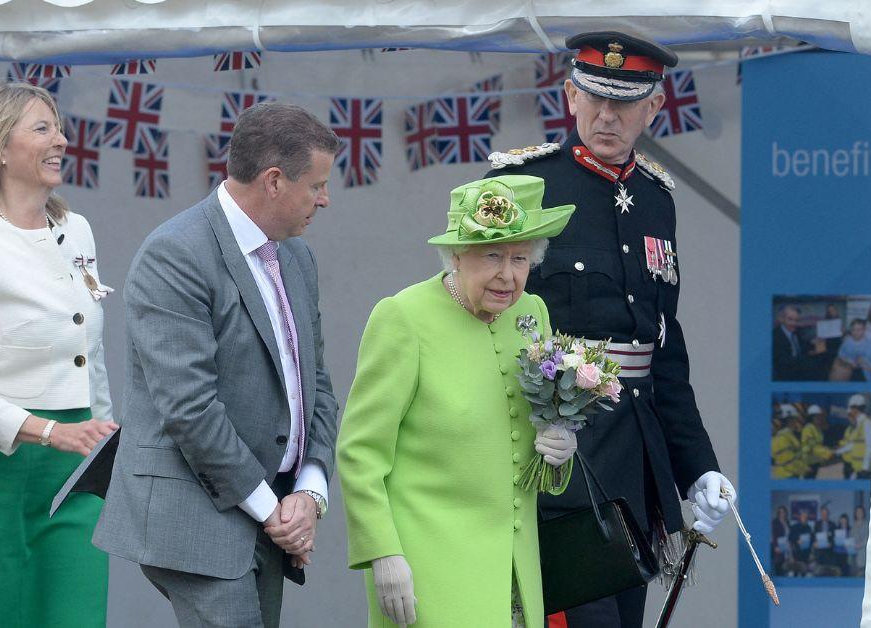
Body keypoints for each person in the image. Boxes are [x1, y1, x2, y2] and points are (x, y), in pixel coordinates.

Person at [484, 31, 734, 627]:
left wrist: (698, 465)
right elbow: (488, 329)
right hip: (557, 465)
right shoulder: (526, 186)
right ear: (569, 96)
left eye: (624, 103)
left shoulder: (656, 199)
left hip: (636, 466)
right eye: (594, 97)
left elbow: (664, 354)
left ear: (653, 107)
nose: (607, 115)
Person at [91, 102, 341, 628]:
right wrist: (271, 510)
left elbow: (313, 381)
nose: (325, 199)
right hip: (194, 513)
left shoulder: (297, 256)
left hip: (272, 510)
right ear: (274, 181)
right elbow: (189, 408)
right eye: (316, 185)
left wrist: (309, 491)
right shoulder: (175, 253)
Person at [338, 176, 579, 627]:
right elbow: (360, 453)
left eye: (520, 258)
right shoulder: (403, 318)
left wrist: (559, 451)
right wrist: (382, 553)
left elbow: (527, 437)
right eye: (492, 256)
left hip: (516, 574)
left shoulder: (532, 314)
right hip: (428, 568)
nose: (507, 274)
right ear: (455, 256)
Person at [0, 80, 118, 628]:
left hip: (74, 465)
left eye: (58, 127)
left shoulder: (76, 229)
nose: (60, 139)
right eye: (42, 129)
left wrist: (102, 432)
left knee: (77, 616)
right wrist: (48, 431)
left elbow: (90, 349)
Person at [837, 395, 871, 480]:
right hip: (857, 468)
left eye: (851, 408)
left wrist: (865, 467)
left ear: (856, 408)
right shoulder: (858, 424)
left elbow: (870, 446)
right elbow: (854, 444)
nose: (849, 411)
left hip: (865, 470)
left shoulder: (866, 423)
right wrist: (837, 452)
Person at [773, 305, 812, 380]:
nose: (794, 323)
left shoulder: (796, 331)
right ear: (781, 319)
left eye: (797, 320)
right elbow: (784, 363)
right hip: (787, 375)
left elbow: (801, 346)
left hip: (800, 368)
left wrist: (813, 343)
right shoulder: (775, 337)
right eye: (790, 319)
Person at [771, 408, 808, 479]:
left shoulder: (787, 434)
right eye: (794, 419)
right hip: (787, 475)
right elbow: (788, 459)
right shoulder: (782, 437)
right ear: (789, 420)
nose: (796, 422)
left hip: (789, 473)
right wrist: (803, 468)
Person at [800, 407, 833, 479]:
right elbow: (813, 446)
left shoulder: (817, 428)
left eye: (819, 416)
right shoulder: (808, 428)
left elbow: (819, 445)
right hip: (808, 462)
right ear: (811, 417)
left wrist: (821, 457)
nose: (819, 418)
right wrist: (826, 453)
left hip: (815, 461)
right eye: (817, 416)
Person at [788, 509, 815, 574]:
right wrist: (797, 540)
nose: (804, 518)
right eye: (803, 517)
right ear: (800, 517)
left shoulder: (809, 527)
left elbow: (812, 539)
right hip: (796, 553)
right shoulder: (794, 527)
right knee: (796, 571)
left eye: (806, 517)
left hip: (806, 553)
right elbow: (790, 537)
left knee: (804, 571)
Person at [851, 505, 870, 576]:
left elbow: (868, 537)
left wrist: (860, 545)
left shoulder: (867, 524)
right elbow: (851, 537)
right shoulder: (853, 525)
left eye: (860, 512)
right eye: (857, 512)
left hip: (864, 552)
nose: (859, 514)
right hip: (854, 553)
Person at [771, 507, 791, 572]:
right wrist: (775, 546)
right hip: (779, 545)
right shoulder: (775, 522)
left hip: (786, 545)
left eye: (783, 512)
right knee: (779, 563)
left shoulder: (787, 522)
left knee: (786, 564)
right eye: (780, 512)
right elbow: (774, 535)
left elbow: (789, 534)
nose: (782, 514)